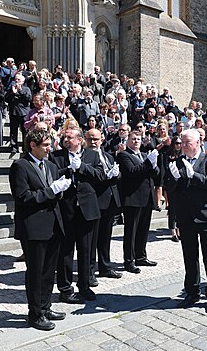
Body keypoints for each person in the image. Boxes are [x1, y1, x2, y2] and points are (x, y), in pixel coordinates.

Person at [9, 129, 70, 331]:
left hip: (53, 224)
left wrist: (60, 190)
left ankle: (45, 306)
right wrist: (50, 192)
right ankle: (35, 314)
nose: (49, 148)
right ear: (32, 145)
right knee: (35, 272)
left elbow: (55, 194)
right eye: (44, 145)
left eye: (49, 144)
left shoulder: (50, 165)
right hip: (33, 227)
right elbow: (23, 197)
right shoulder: (20, 166)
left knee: (48, 271)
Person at [166, 129, 207, 313]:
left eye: (187, 142)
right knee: (190, 257)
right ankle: (192, 292)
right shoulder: (179, 162)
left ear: (198, 143)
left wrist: (193, 176)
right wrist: (173, 178)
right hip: (186, 216)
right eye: (182, 142)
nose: (183, 146)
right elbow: (171, 188)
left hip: (206, 217)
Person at [50, 127, 105, 304]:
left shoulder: (92, 155)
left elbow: (100, 176)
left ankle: (84, 285)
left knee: (86, 250)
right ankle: (65, 289)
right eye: (64, 137)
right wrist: (68, 169)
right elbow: (51, 175)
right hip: (66, 209)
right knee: (65, 251)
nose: (66, 140)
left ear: (80, 140)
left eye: (70, 137)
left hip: (87, 209)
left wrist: (82, 167)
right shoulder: (57, 156)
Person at [117, 130, 159, 274]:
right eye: (133, 139)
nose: (136, 141)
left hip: (147, 197)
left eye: (138, 139)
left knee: (143, 229)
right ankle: (129, 260)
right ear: (128, 140)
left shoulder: (143, 155)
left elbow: (155, 174)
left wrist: (153, 165)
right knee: (131, 231)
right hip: (133, 198)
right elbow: (132, 171)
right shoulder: (124, 155)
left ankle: (141, 256)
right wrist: (148, 162)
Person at [85, 129, 123, 281]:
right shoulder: (85, 156)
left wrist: (116, 174)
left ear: (102, 139)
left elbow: (118, 174)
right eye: (90, 139)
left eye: (96, 139)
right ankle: (89, 271)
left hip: (110, 200)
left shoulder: (107, 156)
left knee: (105, 236)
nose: (93, 142)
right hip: (95, 200)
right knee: (92, 239)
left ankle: (105, 266)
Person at [5, 73, 32, 153]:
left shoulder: (26, 89)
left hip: (23, 112)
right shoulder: (11, 89)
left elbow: (29, 98)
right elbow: (6, 99)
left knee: (25, 131)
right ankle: (14, 147)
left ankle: (25, 147)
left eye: (18, 79)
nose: (16, 81)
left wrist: (20, 91)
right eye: (15, 79)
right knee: (13, 131)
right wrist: (12, 93)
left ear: (23, 81)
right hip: (13, 112)